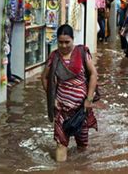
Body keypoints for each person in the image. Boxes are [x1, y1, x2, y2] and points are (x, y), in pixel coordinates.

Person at [41, 24, 98, 162]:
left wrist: (88, 100)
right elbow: (44, 77)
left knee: (82, 146)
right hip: (61, 109)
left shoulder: (82, 52)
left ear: (73, 39)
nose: (64, 45)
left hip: (81, 109)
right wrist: (52, 99)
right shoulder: (54, 57)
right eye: (60, 42)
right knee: (61, 144)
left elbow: (93, 74)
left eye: (67, 42)